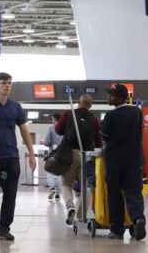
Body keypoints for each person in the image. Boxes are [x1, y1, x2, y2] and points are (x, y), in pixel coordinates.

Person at [0, 72, 36, 241]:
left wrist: (31, 154)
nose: (7, 86)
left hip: (12, 157)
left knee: (10, 195)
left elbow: (24, 131)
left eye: (9, 83)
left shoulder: (16, 107)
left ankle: (4, 229)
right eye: (3, 83)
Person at [101, 84, 146, 240]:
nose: (108, 98)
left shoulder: (111, 116)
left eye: (111, 95)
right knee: (134, 192)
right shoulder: (137, 112)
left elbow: (104, 137)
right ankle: (138, 219)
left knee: (115, 195)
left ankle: (117, 229)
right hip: (134, 160)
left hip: (114, 161)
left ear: (119, 98)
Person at [55, 94, 102, 225]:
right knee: (86, 186)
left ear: (78, 102)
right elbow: (98, 142)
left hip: (70, 154)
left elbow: (58, 130)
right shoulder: (94, 120)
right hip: (87, 155)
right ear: (90, 105)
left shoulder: (69, 114)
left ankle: (70, 207)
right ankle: (81, 215)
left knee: (66, 184)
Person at [43, 114, 64, 201]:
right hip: (63, 154)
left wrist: (44, 142)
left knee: (49, 171)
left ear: (55, 119)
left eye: (52, 119)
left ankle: (52, 189)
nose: (52, 121)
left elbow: (47, 142)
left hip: (53, 154)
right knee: (60, 174)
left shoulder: (52, 128)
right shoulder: (65, 129)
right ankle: (58, 195)